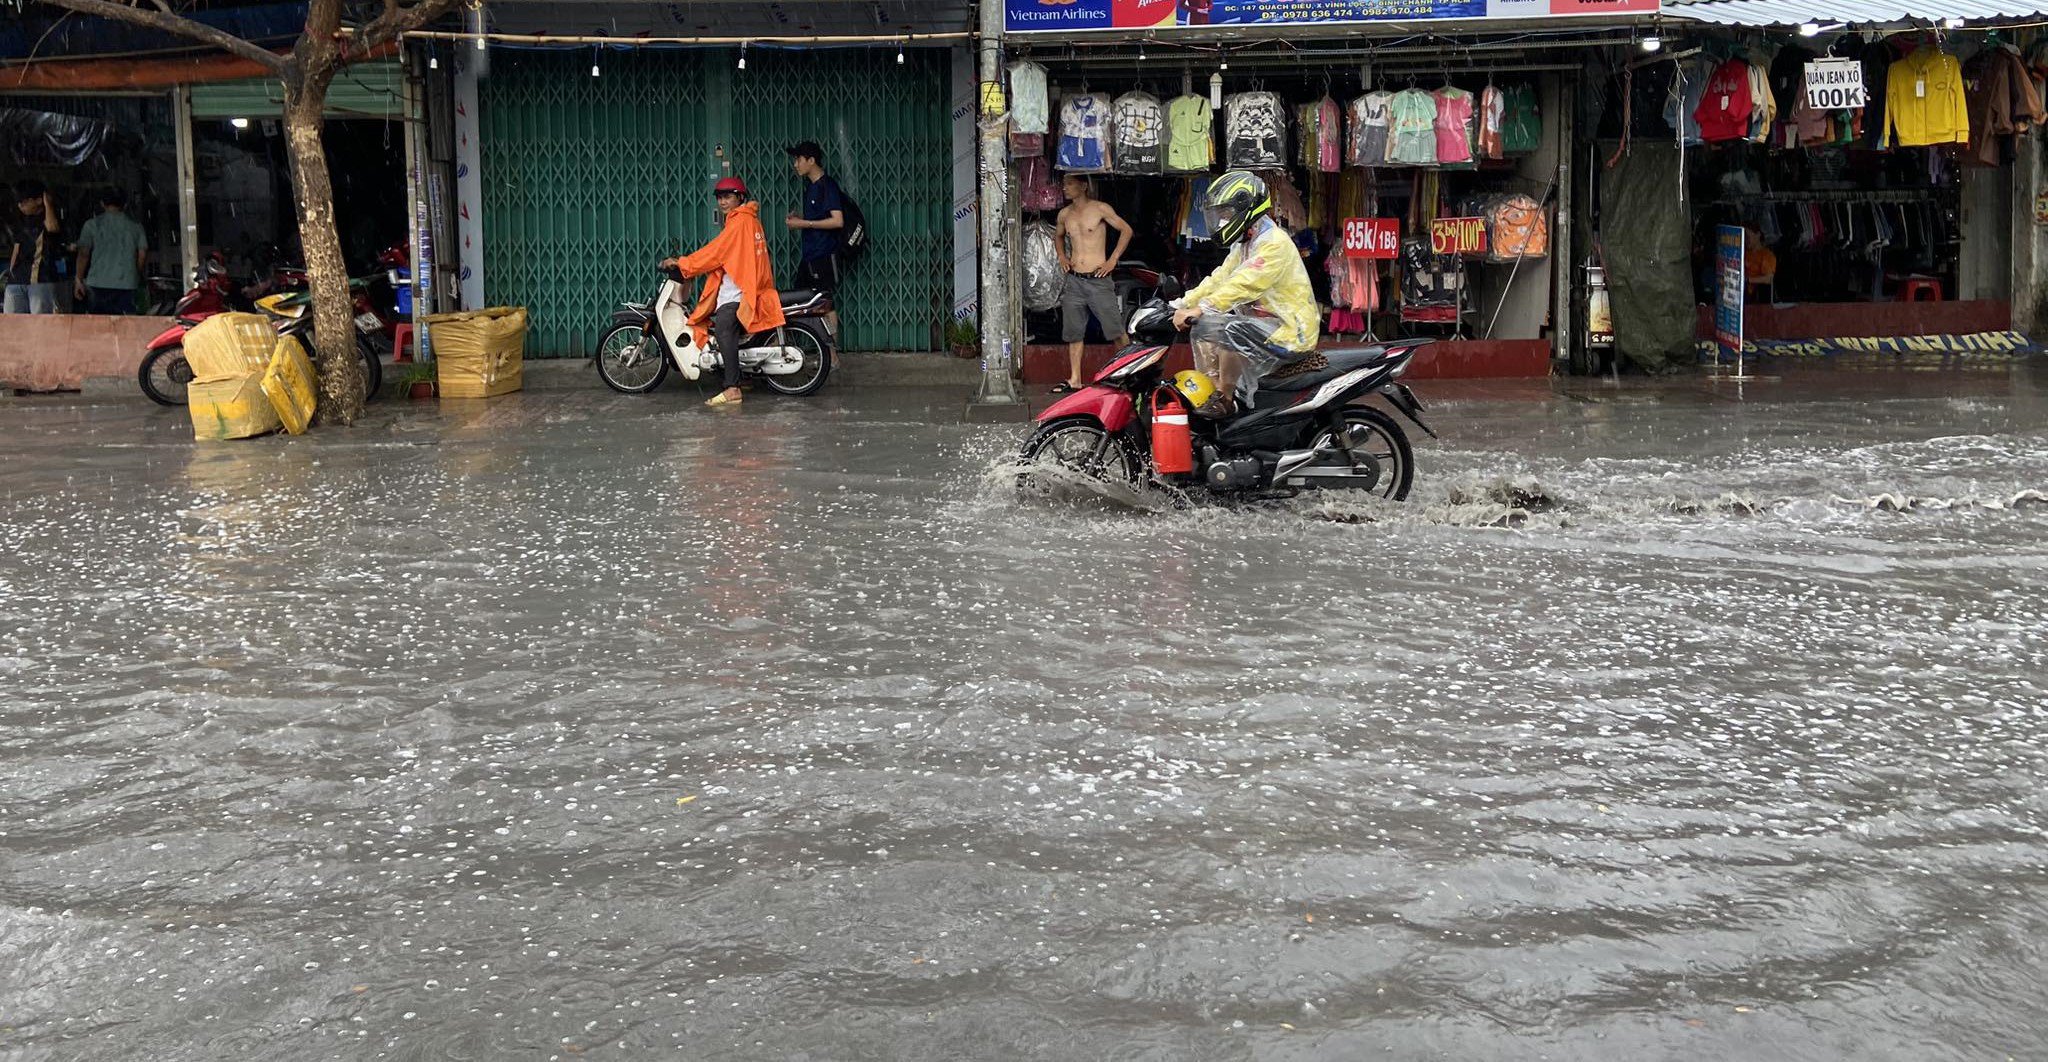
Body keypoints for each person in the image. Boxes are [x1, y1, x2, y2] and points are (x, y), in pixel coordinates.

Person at [1171, 170, 1319, 417]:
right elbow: (1220, 278)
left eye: (1227, 214)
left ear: (1246, 211)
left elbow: (1243, 283)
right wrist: (1182, 303)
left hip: (1291, 331)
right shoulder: (1247, 242)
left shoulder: (1273, 243)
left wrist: (1202, 307)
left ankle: (1225, 399)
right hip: (1265, 326)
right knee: (1203, 326)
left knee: (1232, 330)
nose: (1222, 221)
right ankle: (1215, 388)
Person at [666, 176, 785, 408]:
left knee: (723, 329)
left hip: (738, 292)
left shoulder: (740, 222)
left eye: (728, 196)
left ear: (740, 198)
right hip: (745, 287)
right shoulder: (747, 220)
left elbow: (716, 252)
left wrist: (683, 263)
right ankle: (742, 375)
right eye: (720, 197)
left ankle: (732, 388)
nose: (722, 202)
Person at [1051, 174, 1133, 394]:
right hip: (1075, 280)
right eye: (1064, 184)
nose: (1065, 188)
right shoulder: (1064, 214)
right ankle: (1075, 379)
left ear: (1083, 186)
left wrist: (1113, 259)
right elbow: (1058, 236)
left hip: (1098, 279)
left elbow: (1126, 230)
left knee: (1115, 328)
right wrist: (1061, 256)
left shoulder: (1100, 209)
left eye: (1069, 184)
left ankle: (1131, 373)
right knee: (1074, 331)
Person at [783, 141, 844, 358]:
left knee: (825, 303)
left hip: (823, 255)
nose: (795, 164)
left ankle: (831, 356)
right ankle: (811, 348)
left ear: (811, 160)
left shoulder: (828, 186)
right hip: (810, 256)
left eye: (798, 159)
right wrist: (801, 220)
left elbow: (838, 221)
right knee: (801, 300)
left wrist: (803, 224)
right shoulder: (812, 187)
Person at [74, 190, 148, 315]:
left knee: (99, 324)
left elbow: (83, 254)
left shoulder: (92, 225)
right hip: (127, 283)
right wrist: (136, 273)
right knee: (127, 324)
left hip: (98, 283)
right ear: (125, 205)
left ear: (102, 204)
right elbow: (142, 254)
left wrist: (79, 279)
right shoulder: (136, 226)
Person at [5, 181, 62, 315]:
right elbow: (16, 249)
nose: (21, 206)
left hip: (41, 279)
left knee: (40, 324)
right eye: (19, 203)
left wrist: (47, 203)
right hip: (17, 280)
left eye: (25, 202)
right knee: (12, 323)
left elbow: (52, 228)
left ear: (38, 200)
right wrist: (11, 272)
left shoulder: (50, 217)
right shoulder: (21, 221)